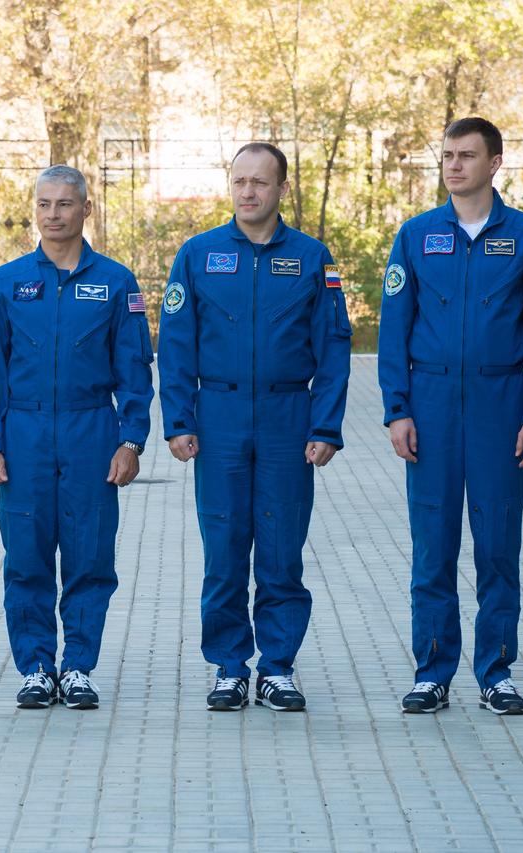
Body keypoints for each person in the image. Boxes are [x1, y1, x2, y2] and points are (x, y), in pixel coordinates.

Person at [378, 117, 523, 716]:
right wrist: (397, 410)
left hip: (500, 409)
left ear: (495, 163)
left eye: (466, 156)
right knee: (432, 549)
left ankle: (496, 672)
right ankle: (432, 671)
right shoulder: (415, 236)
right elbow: (393, 332)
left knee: (497, 548)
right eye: (448, 157)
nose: (454, 166)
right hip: (429, 412)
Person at [158, 142, 351, 713]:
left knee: (280, 549)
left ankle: (278, 667)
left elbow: (334, 350)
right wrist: (177, 420)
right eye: (240, 181)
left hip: (287, 421)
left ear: (282, 190)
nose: (248, 192)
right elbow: (175, 347)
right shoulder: (198, 254)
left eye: (260, 183)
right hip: (217, 420)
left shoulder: (313, 258)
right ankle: (227, 665)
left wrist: (326, 425)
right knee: (224, 549)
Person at [0, 165, 154, 711]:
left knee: (89, 555)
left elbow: (136, 369)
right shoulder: (7, 282)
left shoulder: (116, 282)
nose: (53, 214)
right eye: (45, 204)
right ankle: (34, 666)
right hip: (23, 434)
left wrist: (132, 440)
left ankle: (77, 666)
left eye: (65, 204)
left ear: (85, 210)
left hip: (91, 431)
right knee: (25, 555)